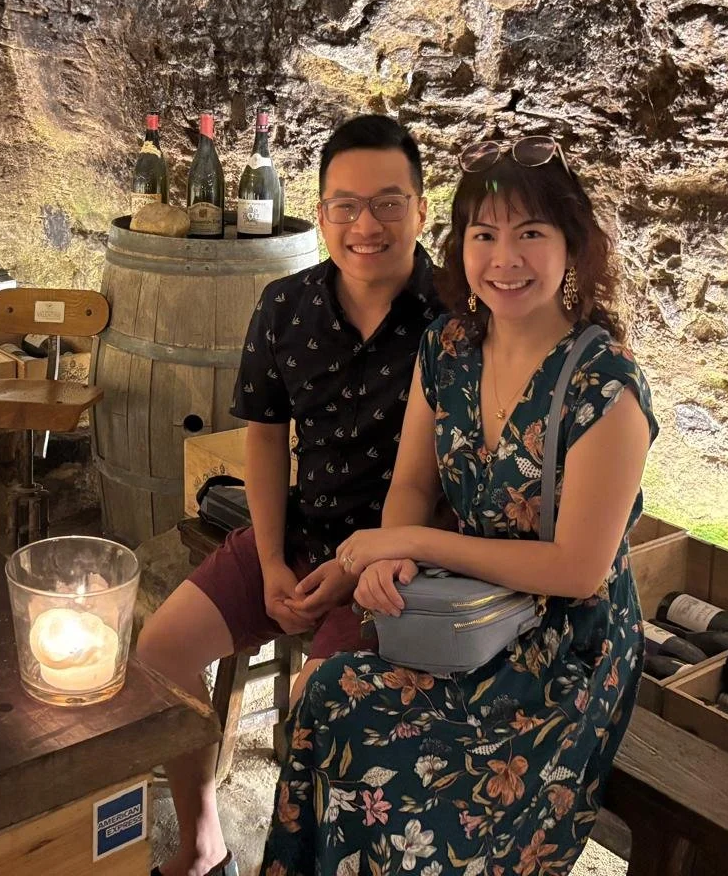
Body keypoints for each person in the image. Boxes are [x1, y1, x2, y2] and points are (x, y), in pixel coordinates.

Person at [259, 134, 657, 876]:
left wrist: (412, 545)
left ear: (571, 246)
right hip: (463, 612)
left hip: (562, 650)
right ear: (460, 246)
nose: (505, 259)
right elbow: (413, 485)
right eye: (484, 235)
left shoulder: (606, 384)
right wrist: (392, 555)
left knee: (414, 787)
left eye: (530, 234)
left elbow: (577, 570)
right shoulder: (448, 347)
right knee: (330, 696)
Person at [138, 115, 445, 876]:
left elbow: (443, 484)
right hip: (305, 528)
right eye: (345, 205)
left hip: (400, 566)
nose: (365, 226)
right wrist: (272, 560)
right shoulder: (286, 304)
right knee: (158, 655)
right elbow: (266, 438)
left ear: (421, 209)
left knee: (317, 709)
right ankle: (204, 845)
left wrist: (353, 568)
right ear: (321, 210)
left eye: (388, 203)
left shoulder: (455, 320)